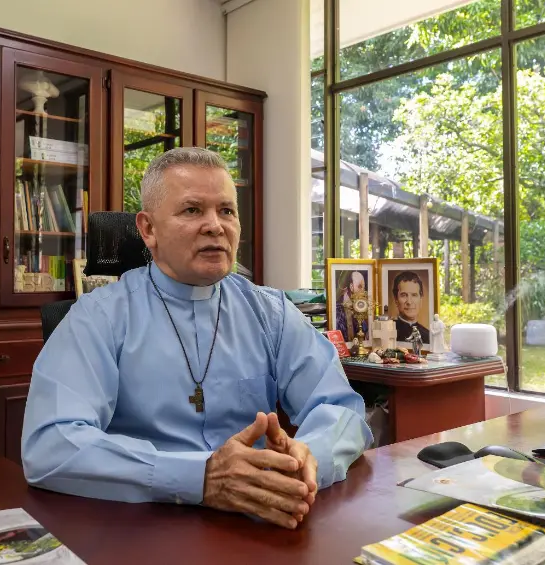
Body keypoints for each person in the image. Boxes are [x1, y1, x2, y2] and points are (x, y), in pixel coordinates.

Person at [21, 147, 372, 531]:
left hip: (255, 520)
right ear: (148, 229)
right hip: (143, 526)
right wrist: (199, 477)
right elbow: (50, 444)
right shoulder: (98, 317)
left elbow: (341, 410)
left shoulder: (271, 312)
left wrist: (306, 459)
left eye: (227, 211)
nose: (215, 226)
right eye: (192, 210)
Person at [391, 271, 430, 343]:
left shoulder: (428, 335)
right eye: (404, 295)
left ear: (421, 298)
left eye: (414, 295)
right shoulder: (388, 331)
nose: (409, 302)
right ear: (396, 299)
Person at [335, 270, 368, 342]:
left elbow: (365, 332)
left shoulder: (359, 307)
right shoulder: (337, 310)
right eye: (360, 287)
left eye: (364, 287)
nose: (363, 291)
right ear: (351, 287)